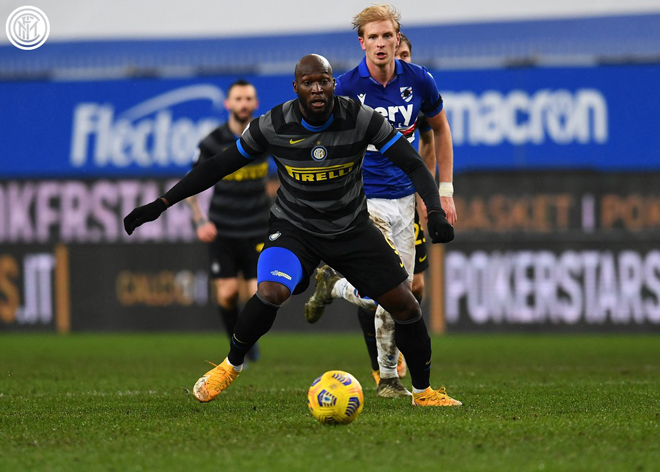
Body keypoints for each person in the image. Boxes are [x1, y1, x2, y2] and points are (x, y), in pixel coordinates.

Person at [123, 54, 461, 407]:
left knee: (406, 306)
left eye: (324, 81)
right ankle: (230, 366)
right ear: (296, 87)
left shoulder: (360, 118)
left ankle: (423, 393)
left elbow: (412, 162)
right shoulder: (273, 124)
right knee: (270, 292)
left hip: (351, 230)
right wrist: (161, 204)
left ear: (333, 84)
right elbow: (216, 166)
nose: (317, 88)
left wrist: (435, 208)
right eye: (309, 82)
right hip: (294, 229)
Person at [304, 5, 457, 398]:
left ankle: (387, 377)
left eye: (387, 35)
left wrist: (443, 191)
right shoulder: (346, 87)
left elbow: (439, 129)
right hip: (362, 199)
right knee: (390, 286)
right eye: (372, 37)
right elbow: (322, 144)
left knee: (400, 291)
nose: (380, 43)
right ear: (362, 43)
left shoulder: (419, 80)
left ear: (396, 38)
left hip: (404, 197)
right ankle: (387, 374)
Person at [184, 79, 268, 362]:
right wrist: (199, 221)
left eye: (248, 99)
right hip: (223, 229)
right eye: (238, 99)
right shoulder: (213, 142)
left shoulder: (265, 136)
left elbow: (286, 171)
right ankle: (239, 345)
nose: (243, 104)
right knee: (229, 294)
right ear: (228, 104)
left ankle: (244, 342)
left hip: (258, 227)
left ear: (255, 104)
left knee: (261, 293)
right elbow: (191, 184)